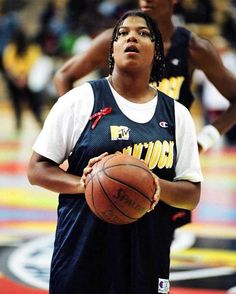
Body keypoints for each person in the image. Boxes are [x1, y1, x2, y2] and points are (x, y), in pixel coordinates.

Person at [27, 10, 202, 294]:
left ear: (157, 52)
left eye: (143, 33)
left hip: (146, 256)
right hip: (82, 253)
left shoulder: (177, 115)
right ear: (112, 51)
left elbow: (191, 194)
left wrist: (155, 185)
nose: (131, 36)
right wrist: (83, 184)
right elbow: (36, 170)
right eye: (122, 33)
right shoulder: (80, 100)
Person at [53, 0, 236, 230]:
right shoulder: (117, 40)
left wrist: (203, 140)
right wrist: (80, 137)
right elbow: (64, 76)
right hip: (114, 159)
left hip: (164, 165)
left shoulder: (192, 47)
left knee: (155, 250)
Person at [2, 27, 44, 131]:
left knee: (34, 102)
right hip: (15, 81)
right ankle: (18, 124)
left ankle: (39, 120)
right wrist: (17, 79)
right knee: (16, 102)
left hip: (28, 81)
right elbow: (8, 68)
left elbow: (35, 66)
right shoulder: (10, 50)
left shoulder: (32, 49)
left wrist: (25, 78)